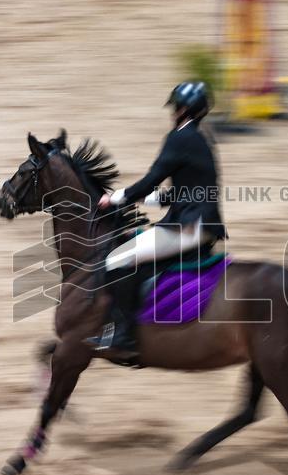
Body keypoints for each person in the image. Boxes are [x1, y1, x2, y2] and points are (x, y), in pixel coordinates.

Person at [86, 81, 227, 355]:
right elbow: (179, 191)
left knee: (116, 260)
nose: (172, 112)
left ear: (184, 109)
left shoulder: (179, 137)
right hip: (203, 223)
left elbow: (151, 180)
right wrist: (141, 199)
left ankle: (124, 335)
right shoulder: (200, 138)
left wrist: (114, 198)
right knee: (134, 243)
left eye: (175, 107)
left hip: (190, 227)